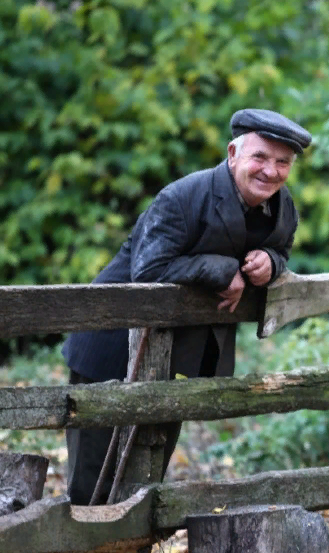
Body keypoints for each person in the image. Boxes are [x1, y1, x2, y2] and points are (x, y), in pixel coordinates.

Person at [60, 108, 309, 508]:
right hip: (109, 349)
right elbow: (147, 271)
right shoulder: (181, 198)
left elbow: (282, 249)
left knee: (145, 484)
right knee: (92, 488)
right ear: (233, 154)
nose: (271, 171)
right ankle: (80, 552)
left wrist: (270, 262)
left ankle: (128, 550)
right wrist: (223, 270)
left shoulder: (282, 208)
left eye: (283, 162)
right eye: (260, 157)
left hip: (175, 358)